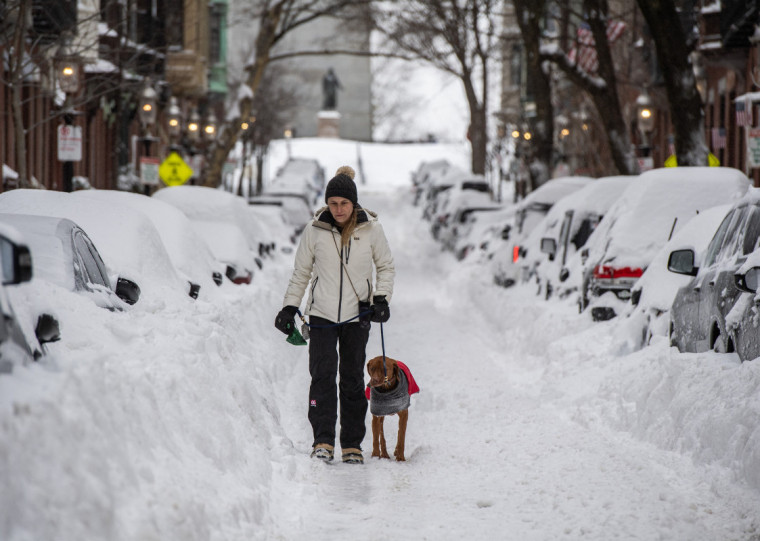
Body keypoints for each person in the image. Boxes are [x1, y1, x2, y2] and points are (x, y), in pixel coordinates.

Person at [275, 165, 395, 464]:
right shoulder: (314, 230)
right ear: (326, 203)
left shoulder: (371, 229)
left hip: (358, 315)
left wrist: (381, 298)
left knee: (353, 378)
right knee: (322, 377)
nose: (338, 209)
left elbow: (385, 266)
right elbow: (301, 272)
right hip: (321, 315)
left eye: (344, 203)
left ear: (353, 204)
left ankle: (352, 444)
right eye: (333, 203)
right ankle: (323, 440)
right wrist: (290, 306)